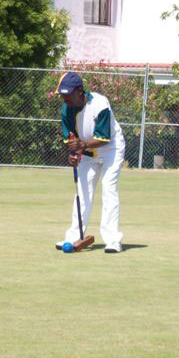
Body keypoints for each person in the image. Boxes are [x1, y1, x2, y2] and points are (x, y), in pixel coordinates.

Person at [54, 72, 125, 253]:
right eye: (62, 95)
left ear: (79, 91)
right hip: (86, 150)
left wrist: (81, 145)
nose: (65, 98)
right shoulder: (66, 109)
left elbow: (104, 138)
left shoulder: (100, 104)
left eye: (68, 94)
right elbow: (71, 139)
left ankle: (112, 240)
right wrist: (73, 154)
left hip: (110, 149)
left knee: (108, 188)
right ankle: (74, 236)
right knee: (82, 190)